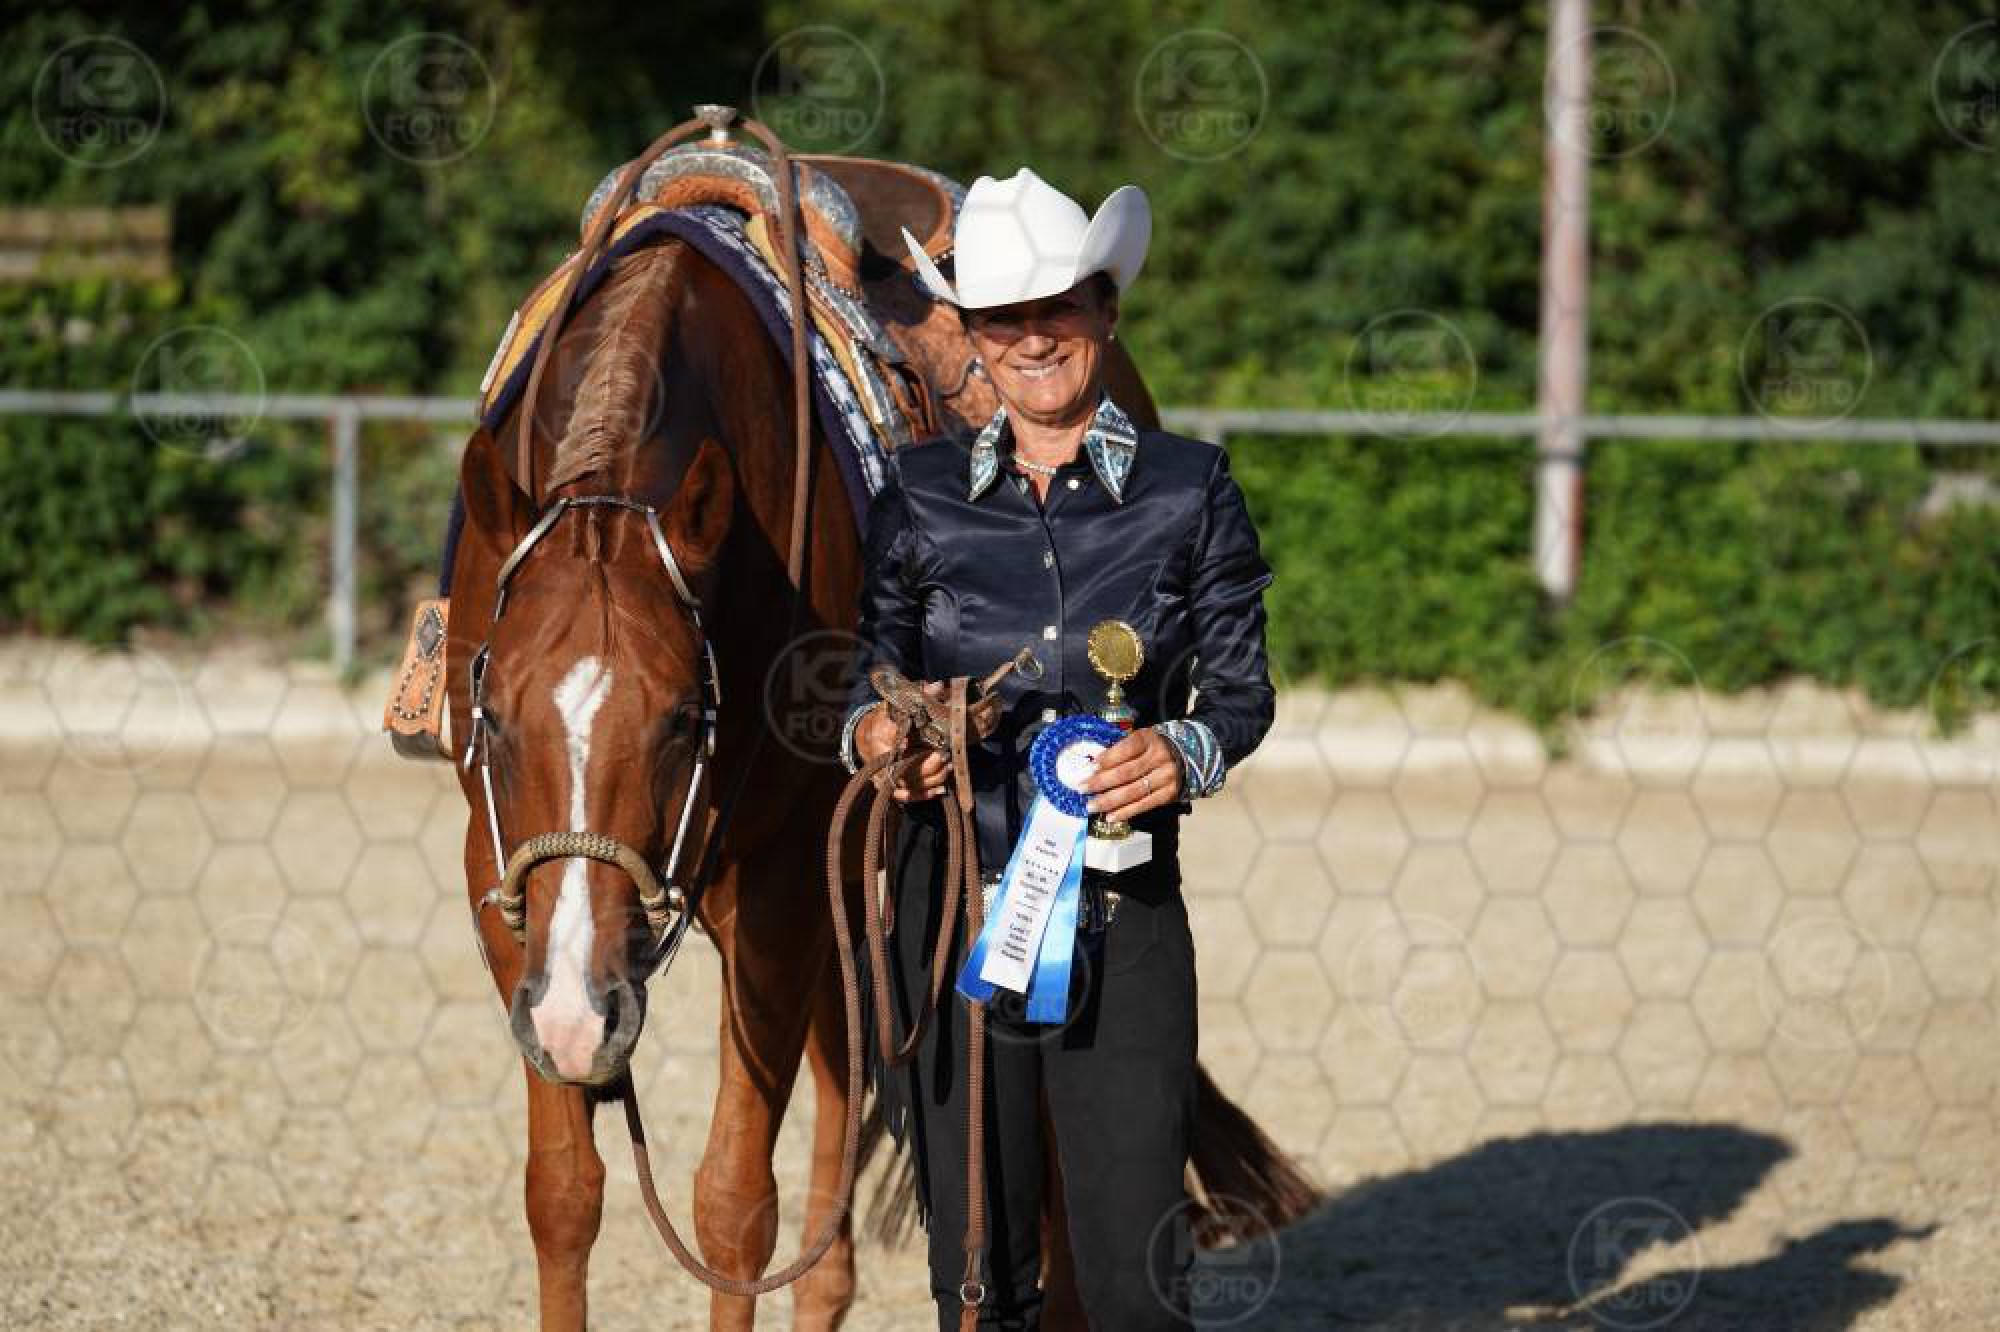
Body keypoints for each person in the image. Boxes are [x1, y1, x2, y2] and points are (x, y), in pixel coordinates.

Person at [836, 166, 1276, 1330]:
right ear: (971, 337)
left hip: (1122, 923)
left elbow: (1242, 694)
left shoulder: (1191, 490)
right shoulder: (914, 495)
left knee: (1137, 1288)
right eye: (1001, 318)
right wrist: (879, 734)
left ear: (1104, 312)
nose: (1031, 339)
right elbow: (864, 673)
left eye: (1056, 309)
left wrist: (1181, 750)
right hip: (947, 920)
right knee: (977, 1283)